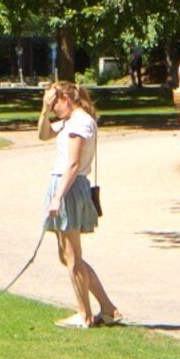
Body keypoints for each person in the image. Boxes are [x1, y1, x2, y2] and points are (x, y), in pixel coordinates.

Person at [36, 79, 119, 328]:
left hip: (68, 187)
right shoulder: (69, 121)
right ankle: (108, 309)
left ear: (66, 99)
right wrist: (44, 109)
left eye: (54, 102)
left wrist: (57, 197)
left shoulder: (80, 122)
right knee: (66, 255)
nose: (53, 108)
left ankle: (85, 314)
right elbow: (43, 134)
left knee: (73, 256)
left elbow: (72, 164)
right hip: (64, 185)